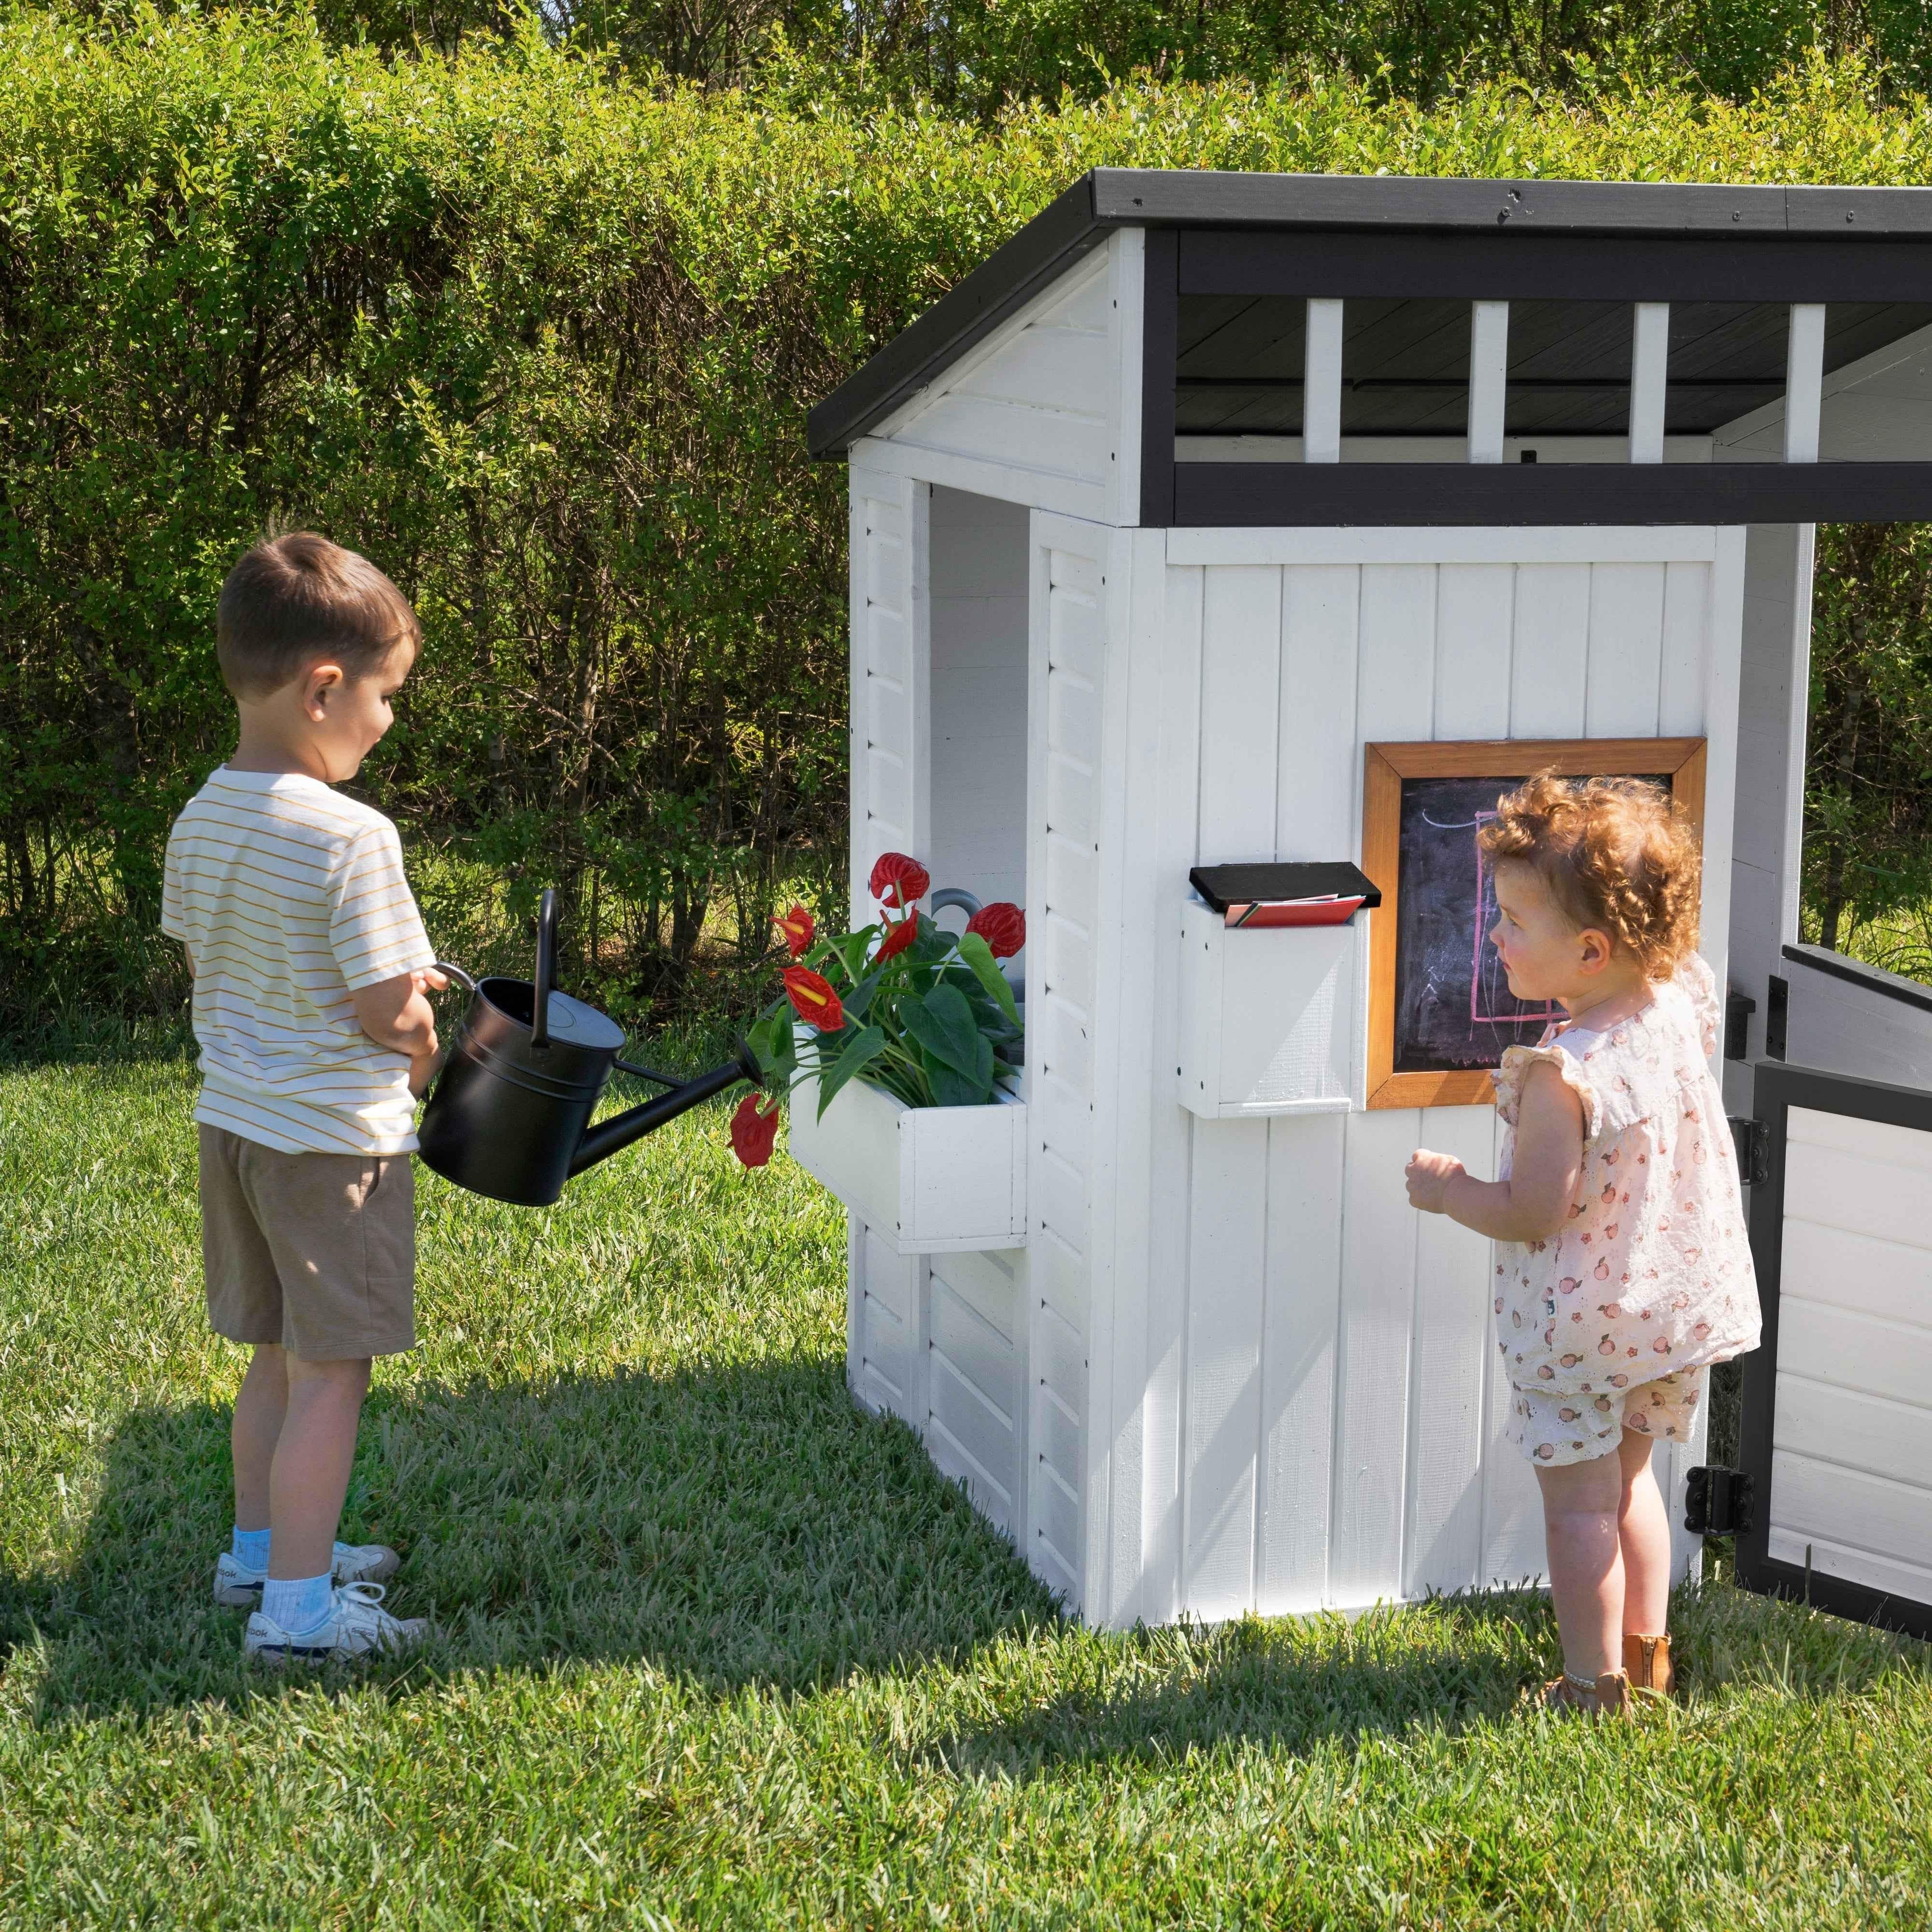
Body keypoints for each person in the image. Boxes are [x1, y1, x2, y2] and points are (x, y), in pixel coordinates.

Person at [1404, 772, 1760, 1717]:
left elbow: (1531, 1209)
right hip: (1665, 1307)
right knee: (1630, 1484)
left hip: (1578, 1330)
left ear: (1589, 947)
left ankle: (1586, 1686)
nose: (1493, 935)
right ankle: (1646, 1666)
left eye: (1514, 921)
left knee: (1576, 1504)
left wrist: (1447, 1192)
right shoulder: (1675, 1002)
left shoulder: (1563, 1074)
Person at [161, 532, 445, 1665]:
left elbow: (228, 960)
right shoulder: (351, 835)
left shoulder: (202, 814)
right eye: (385, 697)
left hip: (234, 1125)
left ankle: (258, 1549)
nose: (386, 722)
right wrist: (426, 1045)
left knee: (274, 1351)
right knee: (333, 1372)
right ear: (325, 687)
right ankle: (300, 1615)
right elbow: (390, 1012)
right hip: (332, 1144)